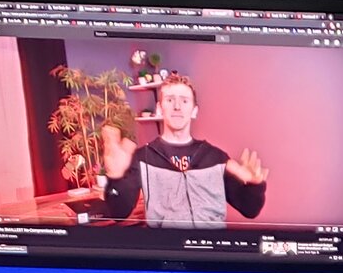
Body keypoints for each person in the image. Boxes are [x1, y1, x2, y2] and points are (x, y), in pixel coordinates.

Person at [98, 75, 267, 228]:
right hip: (166, 249)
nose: (177, 107)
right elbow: (119, 213)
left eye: (185, 101)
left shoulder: (216, 158)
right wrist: (115, 179)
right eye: (170, 100)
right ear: (159, 108)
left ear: (194, 110)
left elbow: (250, 210)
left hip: (211, 248)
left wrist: (255, 186)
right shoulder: (144, 157)